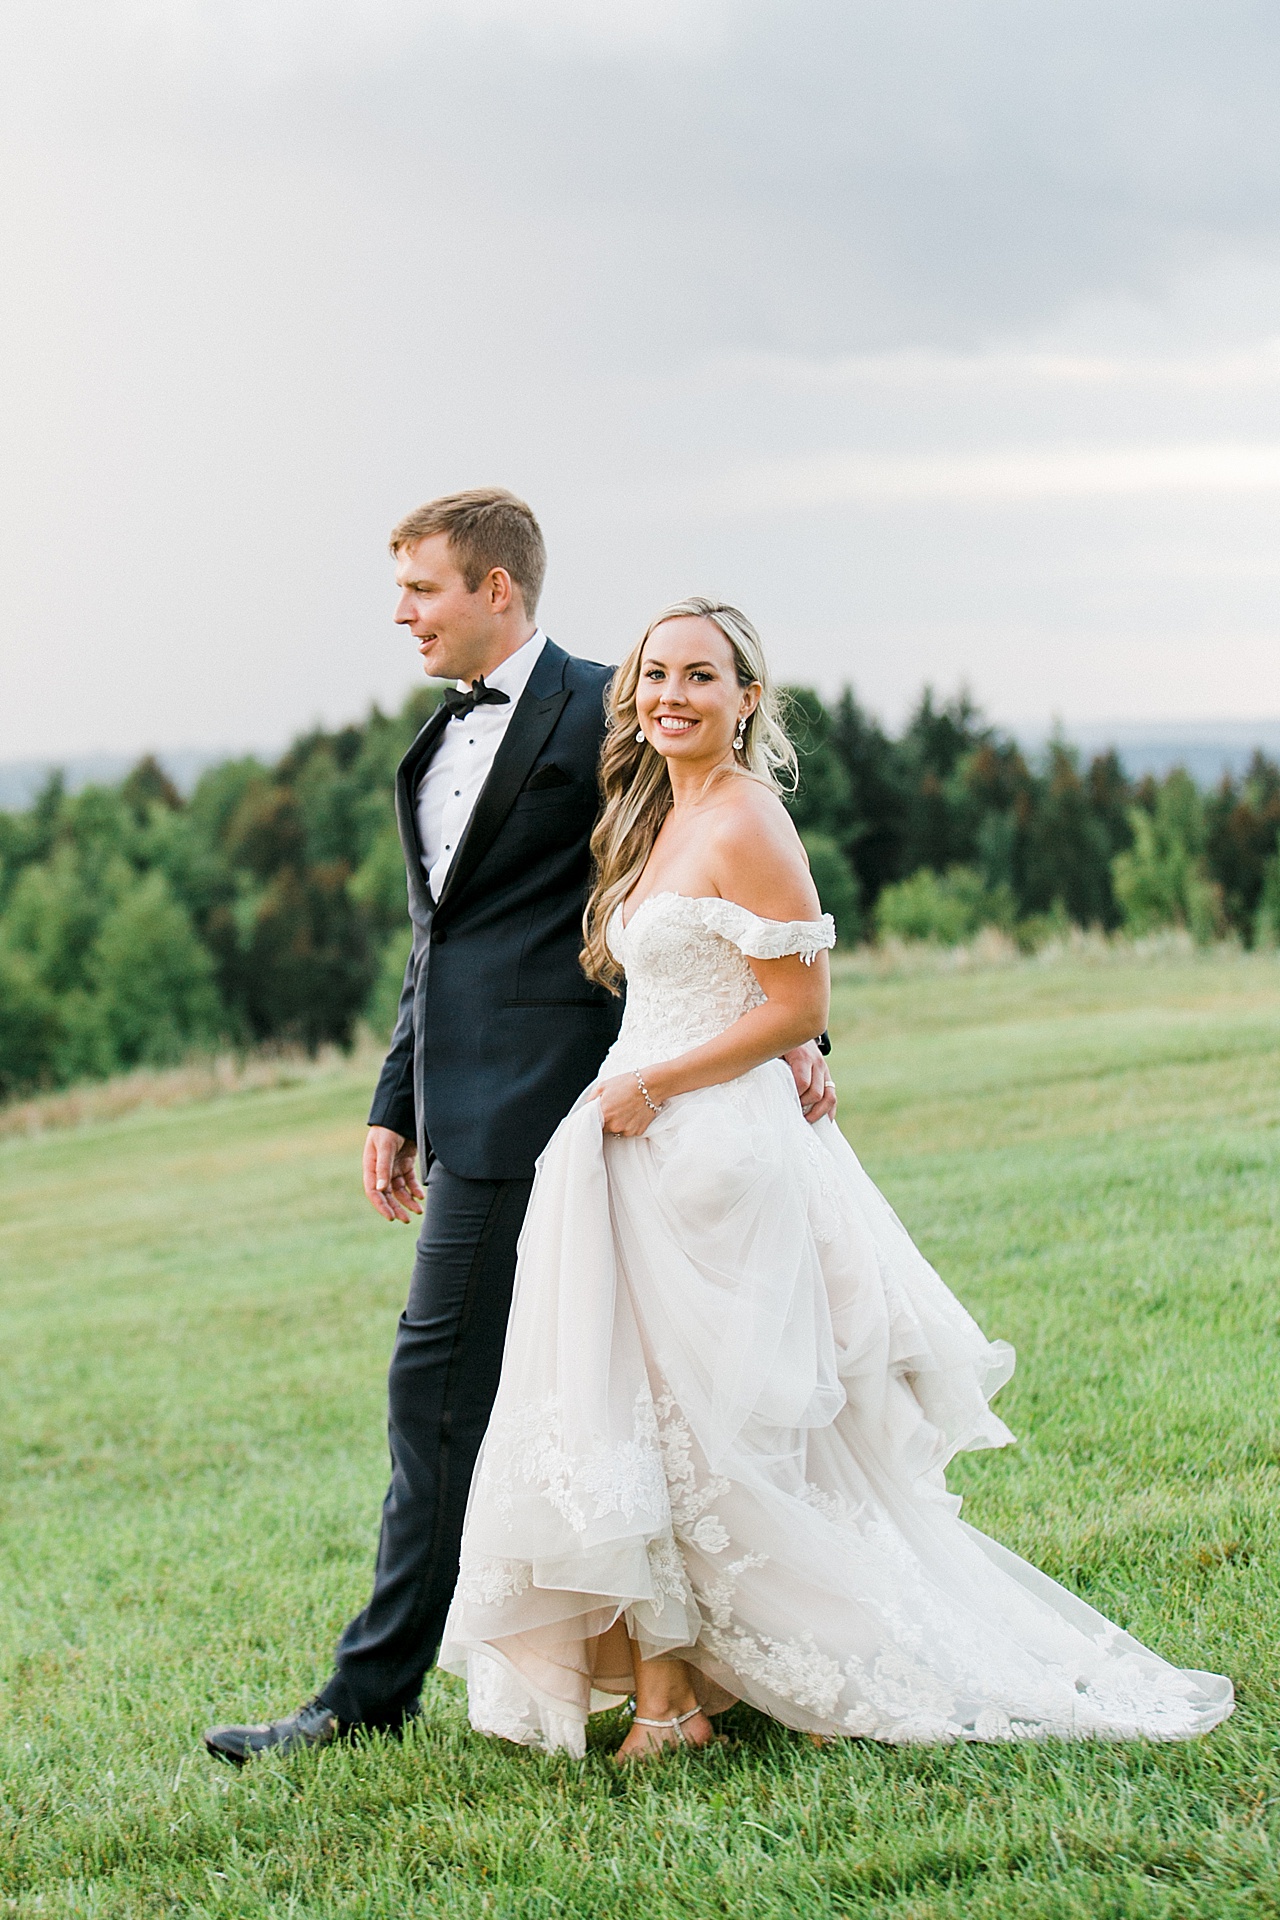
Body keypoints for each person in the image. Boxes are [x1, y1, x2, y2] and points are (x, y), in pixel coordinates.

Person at [437, 597, 1234, 1759]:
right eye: (654, 673)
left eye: (699, 676)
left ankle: (806, 1669)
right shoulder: (655, 810)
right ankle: (670, 1698)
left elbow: (797, 1004)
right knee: (647, 1427)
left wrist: (658, 1083)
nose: (669, 694)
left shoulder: (747, 816)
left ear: (745, 698)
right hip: (637, 1143)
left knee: (718, 1435)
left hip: (709, 1148)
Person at [204, 498, 834, 1763]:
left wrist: (803, 1036)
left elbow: (725, 853)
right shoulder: (431, 744)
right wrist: (395, 1100)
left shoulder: (613, 703)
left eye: (422, 589)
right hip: (469, 1108)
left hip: (564, 1104)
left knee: (437, 1391)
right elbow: (437, 939)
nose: (402, 614)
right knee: (597, 1398)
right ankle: (687, 1676)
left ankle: (364, 1700)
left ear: (495, 588)